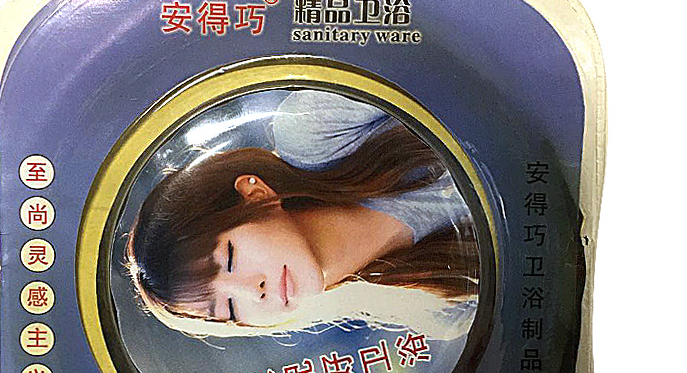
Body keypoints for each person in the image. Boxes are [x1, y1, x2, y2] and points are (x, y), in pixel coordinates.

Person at [126, 90, 480, 340]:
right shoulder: (432, 308)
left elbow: (436, 63)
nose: (254, 291)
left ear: (254, 194)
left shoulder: (312, 134)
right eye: (230, 310)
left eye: (230, 258)